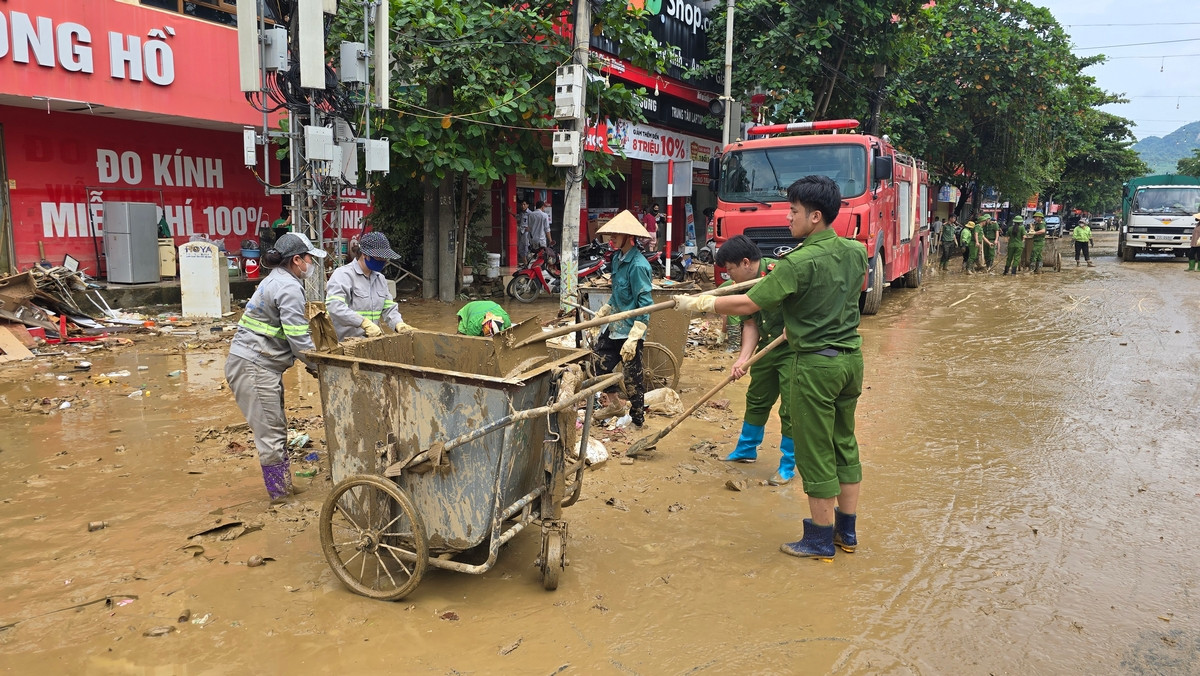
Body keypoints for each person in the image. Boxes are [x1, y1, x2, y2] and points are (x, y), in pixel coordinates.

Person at [674, 175, 866, 560]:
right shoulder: (855, 252)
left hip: (814, 365)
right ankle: (847, 533)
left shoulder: (797, 262)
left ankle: (819, 539)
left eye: (793, 211)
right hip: (850, 361)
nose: (787, 218)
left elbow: (749, 306)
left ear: (815, 216)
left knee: (814, 452)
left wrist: (699, 305)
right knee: (844, 443)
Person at [225, 232, 325, 502]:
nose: (311, 264)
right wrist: (322, 366)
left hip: (257, 364)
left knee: (276, 429)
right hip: (255, 366)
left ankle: (283, 489)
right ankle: (280, 499)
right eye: (309, 259)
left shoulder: (278, 280)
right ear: (296, 260)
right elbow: (299, 339)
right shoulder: (288, 288)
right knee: (271, 435)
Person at [715, 235, 796, 486]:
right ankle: (746, 449)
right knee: (757, 397)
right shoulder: (743, 284)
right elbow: (750, 323)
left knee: (791, 407)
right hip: (767, 347)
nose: (729, 276)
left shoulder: (779, 273)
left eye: (730, 270)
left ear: (746, 263)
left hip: (793, 347)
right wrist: (742, 359)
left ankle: (788, 464)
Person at [591, 211, 654, 428]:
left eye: (617, 234)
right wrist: (604, 311)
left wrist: (635, 336)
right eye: (612, 234)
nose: (612, 238)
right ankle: (615, 404)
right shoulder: (618, 259)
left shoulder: (638, 266)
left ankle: (638, 423)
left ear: (629, 236)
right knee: (597, 362)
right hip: (615, 325)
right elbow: (617, 293)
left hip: (630, 330)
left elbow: (645, 304)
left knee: (633, 380)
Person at [324, 231, 411, 341]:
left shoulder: (380, 279)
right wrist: (363, 322)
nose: (383, 261)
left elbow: (389, 308)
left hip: (370, 342)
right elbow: (335, 307)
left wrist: (399, 324)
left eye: (385, 258)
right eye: (379, 257)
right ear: (365, 254)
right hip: (344, 344)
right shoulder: (343, 275)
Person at [516, 200, 530, 265]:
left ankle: (527, 263)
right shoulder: (521, 213)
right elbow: (517, 217)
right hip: (521, 231)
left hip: (526, 232)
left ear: (527, 205)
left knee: (526, 247)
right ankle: (525, 263)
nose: (523, 206)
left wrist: (530, 228)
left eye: (524, 204)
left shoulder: (530, 213)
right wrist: (510, 212)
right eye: (522, 204)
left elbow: (534, 222)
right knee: (520, 248)